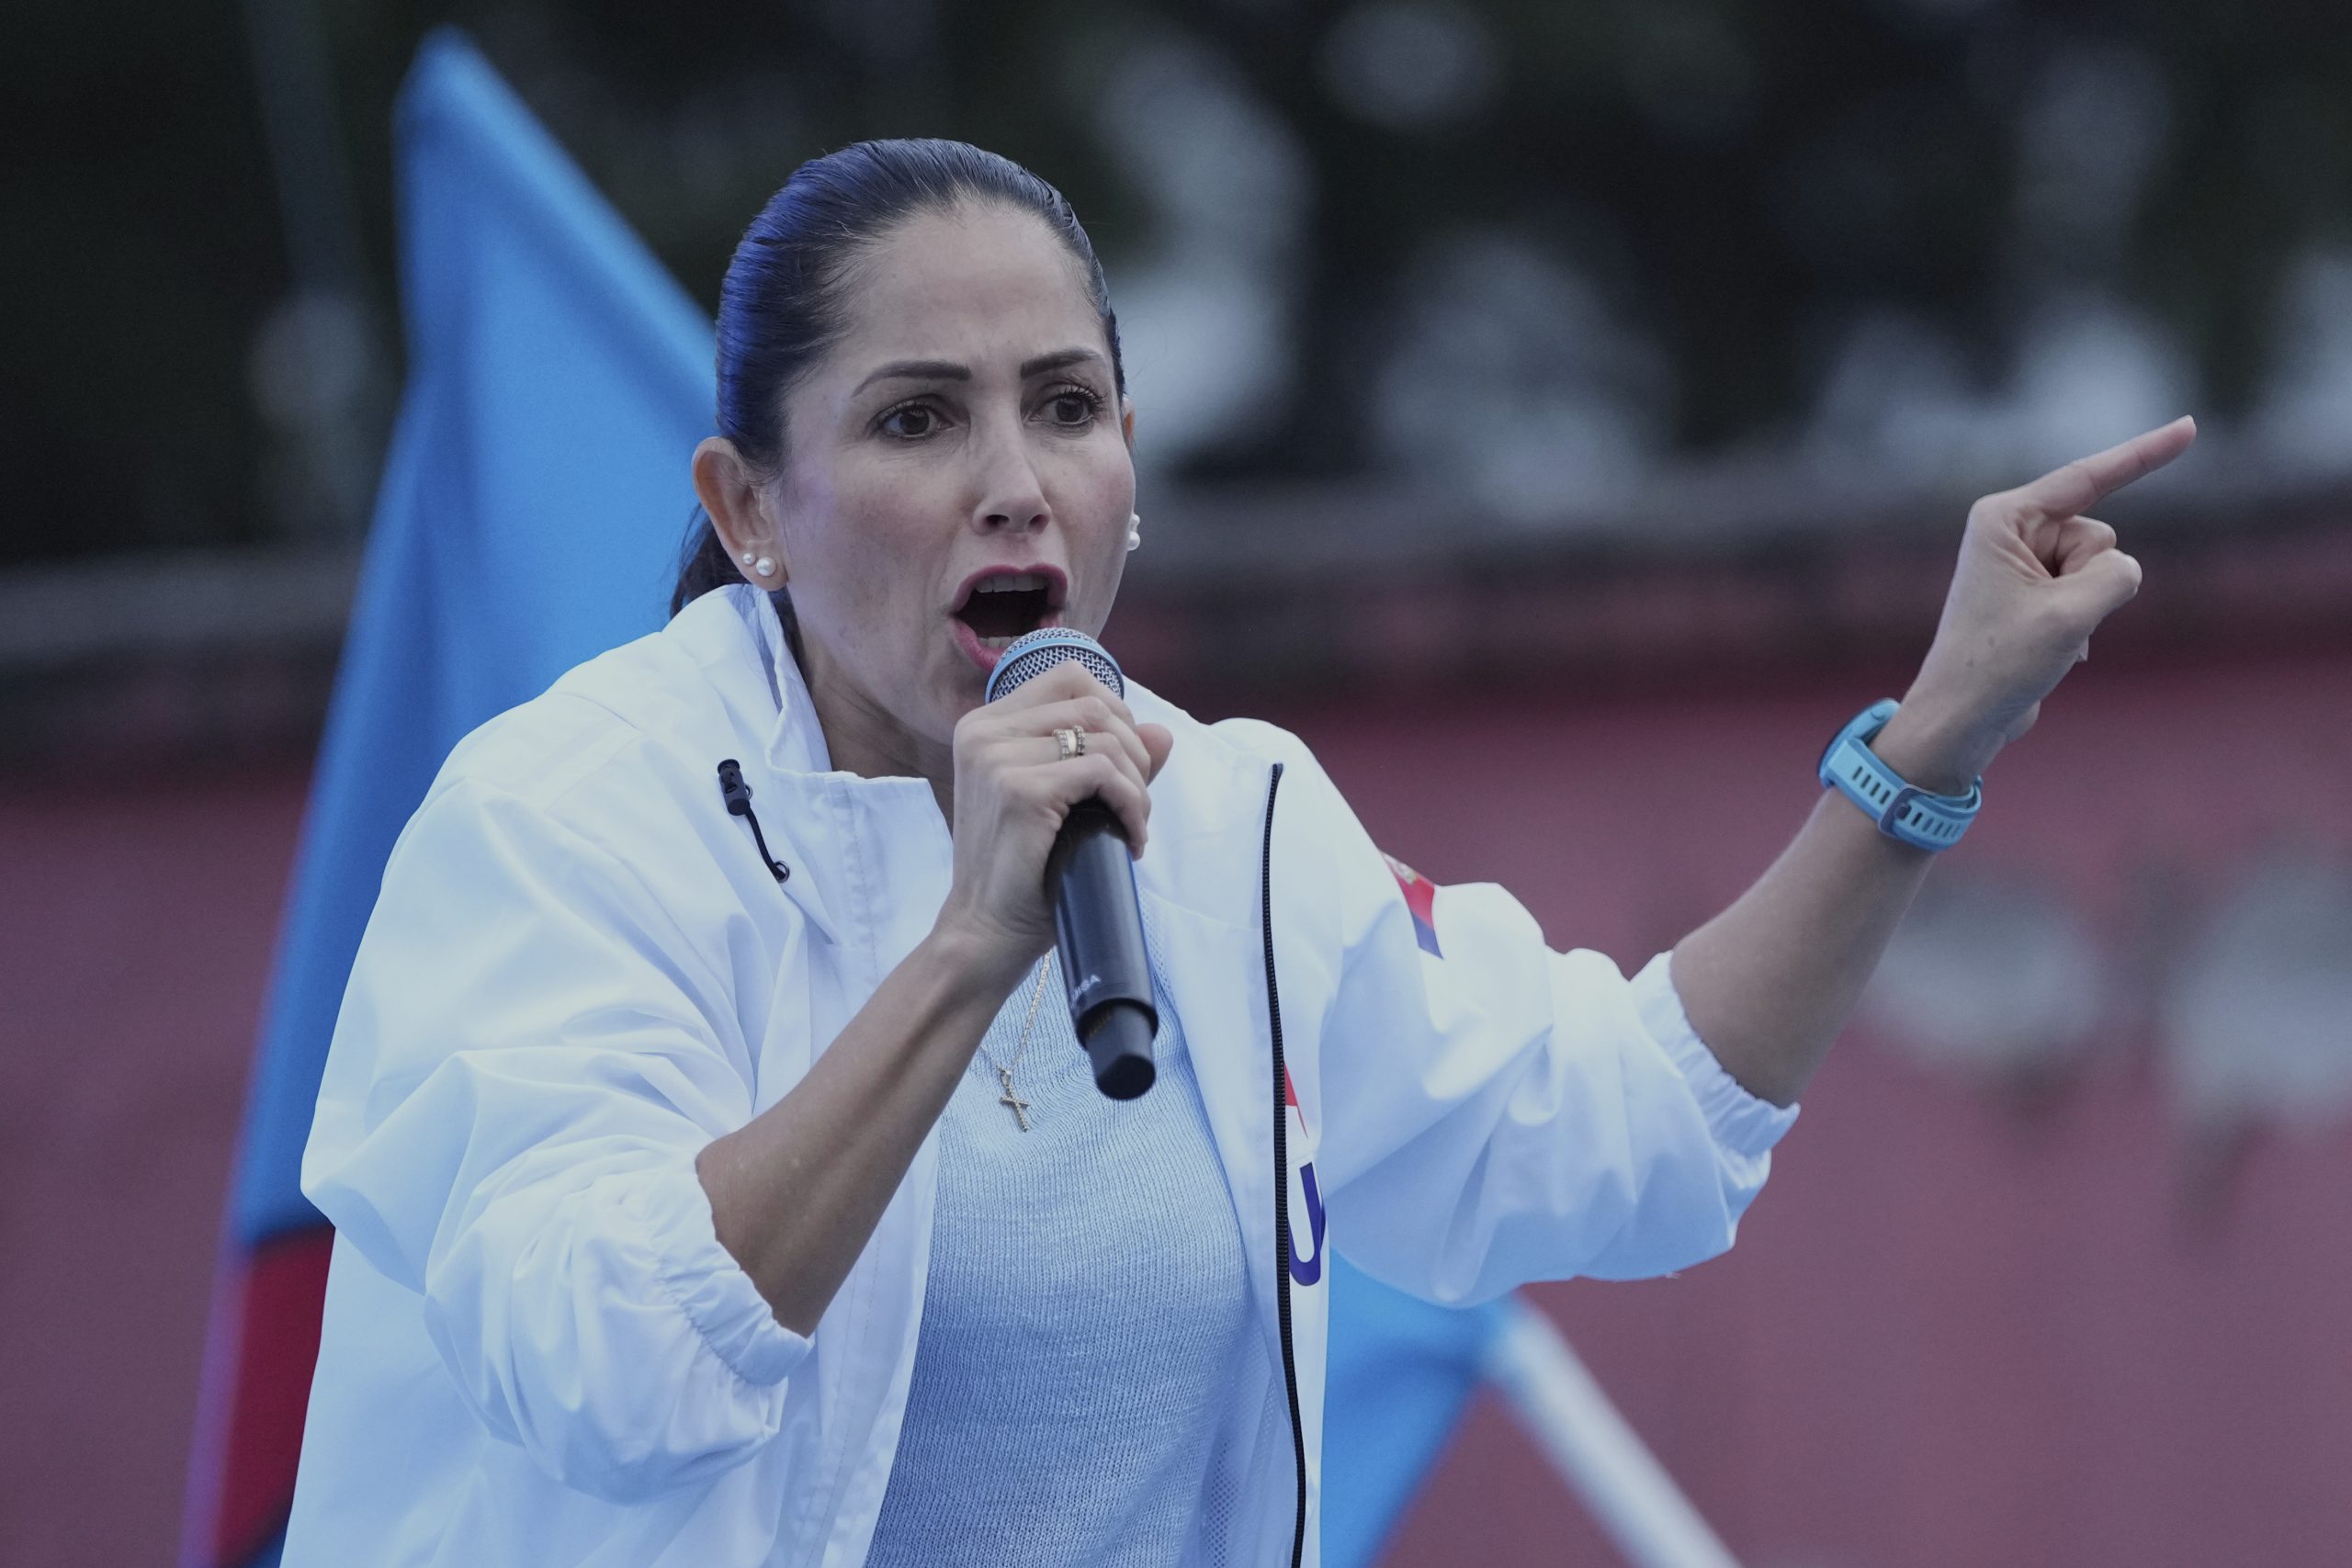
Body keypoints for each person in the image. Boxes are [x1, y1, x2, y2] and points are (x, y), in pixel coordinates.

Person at [281, 138, 2190, 1567]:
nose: (1013, 482)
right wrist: (966, 949)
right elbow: (617, 1367)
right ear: (746, 506)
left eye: (1064, 406)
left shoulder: (1219, 814)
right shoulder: (563, 821)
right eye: (917, 420)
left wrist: (1934, 737)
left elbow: (1619, 1130)